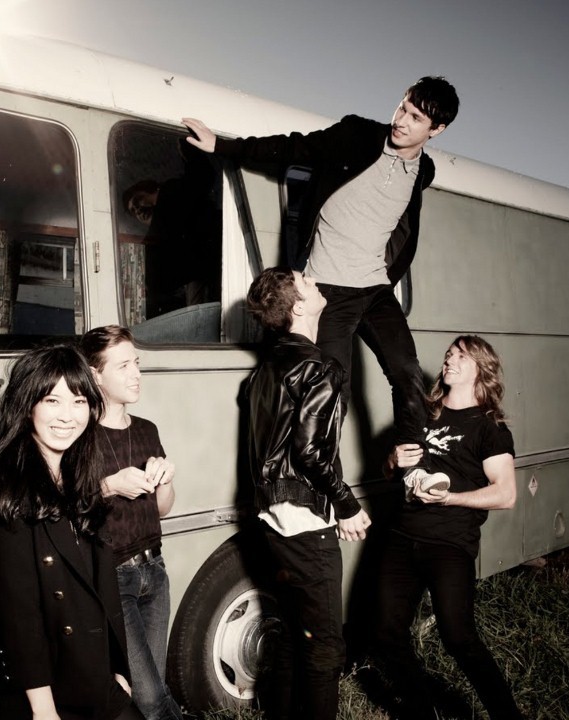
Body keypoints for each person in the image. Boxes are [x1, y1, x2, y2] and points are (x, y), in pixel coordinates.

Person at [183, 76, 459, 498]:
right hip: (329, 289)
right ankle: (327, 491)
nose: (401, 120)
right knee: (334, 393)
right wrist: (222, 146)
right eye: (402, 107)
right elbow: (293, 147)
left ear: (436, 130)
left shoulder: (424, 171)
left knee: (407, 374)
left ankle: (413, 468)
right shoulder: (357, 136)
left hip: (375, 288)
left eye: (416, 118)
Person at [0, 343, 144, 720]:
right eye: (52, 401)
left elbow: (102, 587)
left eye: (78, 402)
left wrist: (118, 669)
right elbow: (17, 614)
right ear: (27, 404)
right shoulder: (3, 489)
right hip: (42, 686)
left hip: (92, 672)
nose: (67, 416)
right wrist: (42, 707)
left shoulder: (80, 476)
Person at [243, 266, 373, 720]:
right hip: (305, 524)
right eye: (307, 282)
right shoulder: (320, 367)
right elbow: (310, 453)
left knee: (293, 634)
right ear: (299, 306)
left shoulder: (265, 367)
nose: (316, 283)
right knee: (325, 648)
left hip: (272, 519)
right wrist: (347, 505)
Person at [372, 335, 524, 720]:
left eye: (461, 356)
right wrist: (392, 460)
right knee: (387, 632)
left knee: (458, 637)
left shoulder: (489, 428)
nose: (449, 359)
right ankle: (423, 711)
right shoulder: (423, 414)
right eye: (449, 354)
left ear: (481, 370)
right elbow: (390, 473)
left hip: (450, 543)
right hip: (403, 535)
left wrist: (450, 498)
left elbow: (506, 494)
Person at [81, 325, 184, 720]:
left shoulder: (146, 429)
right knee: (151, 698)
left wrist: (167, 480)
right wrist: (109, 486)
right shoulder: (80, 436)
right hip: (113, 578)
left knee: (154, 688)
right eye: (123, 366)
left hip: (155, 571)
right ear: (95, 376)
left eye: (136, 363)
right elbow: (65, 512)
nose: (137, 374)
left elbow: (162, 509)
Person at [120, 147, 221, 316]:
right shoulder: (157, 234)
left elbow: (202, 175)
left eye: (138, 201)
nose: (138, 210)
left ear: (152, 189)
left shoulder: (172, 195)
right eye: (133, 212)